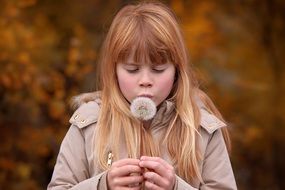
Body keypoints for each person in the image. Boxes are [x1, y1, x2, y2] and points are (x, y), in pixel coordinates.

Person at [48, 1, 237, 190]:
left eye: (158, 69)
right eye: (132, 69)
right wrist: (101, 185)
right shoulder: (89, 125)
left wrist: (176, 187)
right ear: (114, 71)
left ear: (177, 70)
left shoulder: (202, 130)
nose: (145, 80)